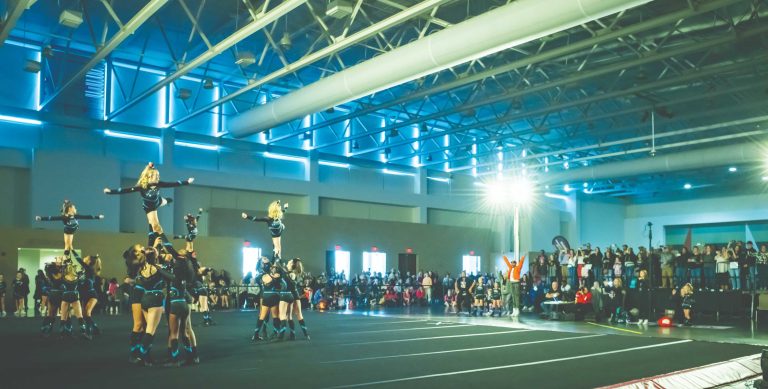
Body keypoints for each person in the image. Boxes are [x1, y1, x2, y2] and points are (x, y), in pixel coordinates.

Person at [105, 162, 194, 247]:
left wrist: (187, 182)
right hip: (149, 207)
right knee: (154, 225)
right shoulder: (142, 187)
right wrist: (110, 192)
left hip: (158, 201)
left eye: (159, 176)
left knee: (165, 201)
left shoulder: (159, 183)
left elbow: (172, 184)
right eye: (156, 176)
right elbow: (125, 190)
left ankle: (168, 200)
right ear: (149, 177)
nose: (158, 177)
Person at [34, 200, 104, 257]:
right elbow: (52, 218)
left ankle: (66, 256)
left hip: (72, 230)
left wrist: (98, 217)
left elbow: (87, 217)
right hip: (67, 231)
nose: (76, 209)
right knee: (67, 246)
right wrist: (41, 218)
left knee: (69, 246)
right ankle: (65, 258)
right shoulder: (64, 217)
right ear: (70, 209)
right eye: (74, 207)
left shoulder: (76, 216)